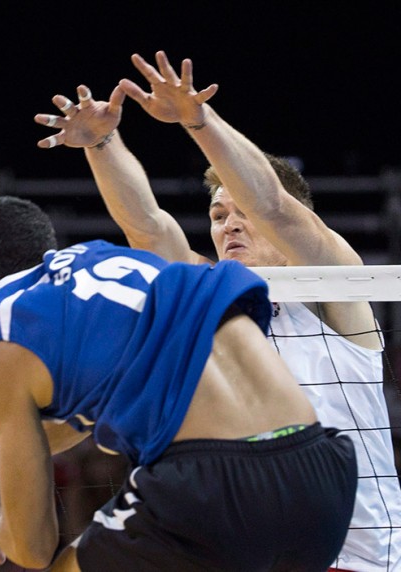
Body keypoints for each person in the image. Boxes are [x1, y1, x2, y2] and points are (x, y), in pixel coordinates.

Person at [34, 50, 401, 571]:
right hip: (247, 552)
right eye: (217, 214)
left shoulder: (333, 286)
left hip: (362, 556)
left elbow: (273, 204)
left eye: (241, 213)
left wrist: (197, 120)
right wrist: (101, 144)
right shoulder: (217, 299)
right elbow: (148, 229)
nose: (229, 225)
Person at [0, 195, 357, 570]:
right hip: (322, 479)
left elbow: (32, 549)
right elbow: (97, 409)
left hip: (209, 489)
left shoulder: (4, 335)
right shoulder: (113, 262)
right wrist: (2, 461)